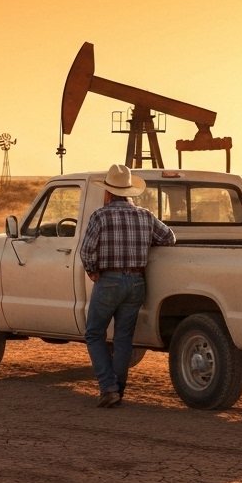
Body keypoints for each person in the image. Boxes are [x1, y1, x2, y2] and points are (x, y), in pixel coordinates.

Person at [79, 164, 175, 408]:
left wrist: (92, 272)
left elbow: (87, 250)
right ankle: (118, 388)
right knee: (123, 339)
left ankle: (108, 387)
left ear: (108, 193)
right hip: (136, 282)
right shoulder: (145, 216)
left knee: (94, 333)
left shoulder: (100, 216)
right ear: (129, 191)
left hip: (109, 280)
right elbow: (169, 238)